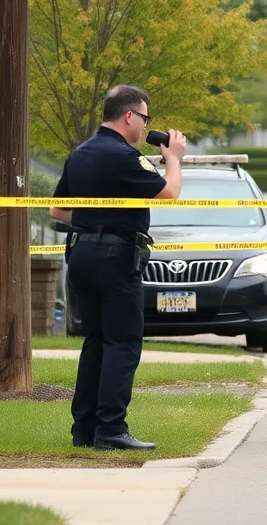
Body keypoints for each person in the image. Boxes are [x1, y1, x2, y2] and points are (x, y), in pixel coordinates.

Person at [50, 85, 187, 451]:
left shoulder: (80, 153)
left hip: (81, 254)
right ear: (129, 116)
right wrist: (174, 158)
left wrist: (94, 223)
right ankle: (111, 428)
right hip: (115, 259)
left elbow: (57, 210)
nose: (145, 126)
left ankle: (85, 429)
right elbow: (170, 193)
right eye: (144, 118)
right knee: (122, 343)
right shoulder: (126, 156)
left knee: (96, 342)